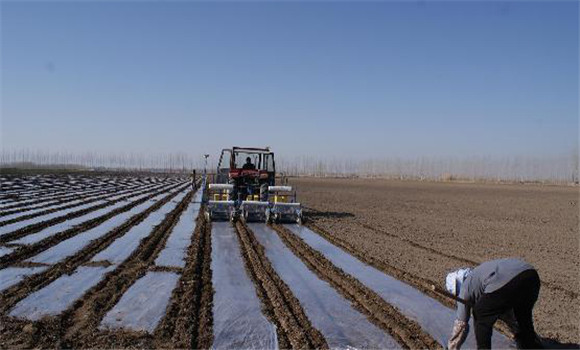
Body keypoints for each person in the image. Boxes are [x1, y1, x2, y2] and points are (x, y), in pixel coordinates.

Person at [446, 258, 543, 349]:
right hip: (531, 276)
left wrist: (452, 347)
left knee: (480, 312)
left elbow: (461, 324)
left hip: (512, 281)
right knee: (522, 318)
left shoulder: (465, 287)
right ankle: (532, 344)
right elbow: (506, 313)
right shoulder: (482, 277)